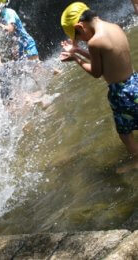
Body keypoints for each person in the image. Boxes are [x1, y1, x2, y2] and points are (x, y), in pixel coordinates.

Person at [60, 2, 138, 170]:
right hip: (134, 82)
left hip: (122, 93)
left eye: (79, 37)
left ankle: (137, 160)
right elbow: (105, 56)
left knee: (124, 133)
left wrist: (76, 59)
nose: (81, 41)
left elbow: (96, 72)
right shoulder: (114, 27)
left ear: (80, 26)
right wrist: (78, 51)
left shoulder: (94, 42)